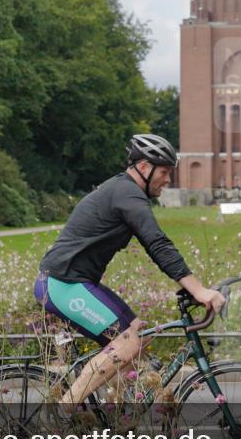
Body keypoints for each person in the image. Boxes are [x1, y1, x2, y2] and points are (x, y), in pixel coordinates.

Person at [35, 133, 226, 415]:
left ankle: (117, 417)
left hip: (77, 283)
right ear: (145, 168)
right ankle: (59, 415)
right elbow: (157, 243)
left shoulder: (124, 191)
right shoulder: (127, 193)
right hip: (62, 284)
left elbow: (156, 246)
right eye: (164, 172)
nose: (168, 179)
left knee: (140, 333)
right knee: (128, 344)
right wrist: (199, 290)